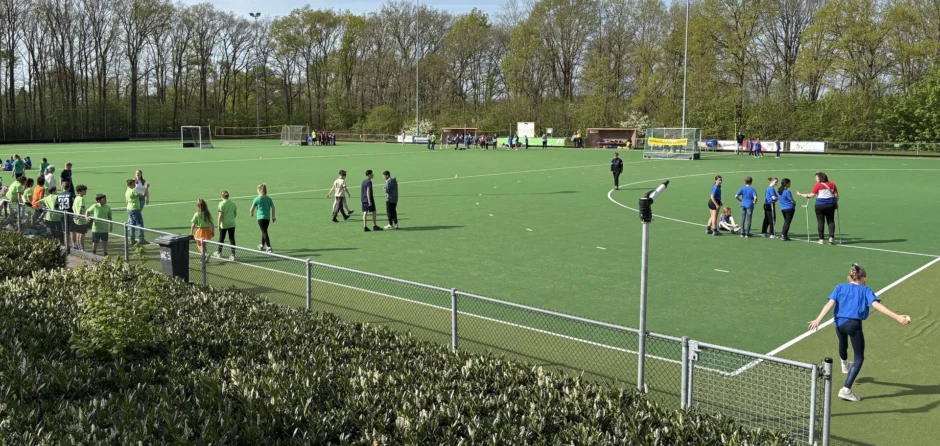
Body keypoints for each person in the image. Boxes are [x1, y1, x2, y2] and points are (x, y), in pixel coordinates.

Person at [807, 264, 911, 402]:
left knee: (842, 343)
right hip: (853, 325)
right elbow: (876, 305)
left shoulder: (840, 287)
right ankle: (846, 389)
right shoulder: (865, 290)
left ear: (851, 276)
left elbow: (830, 304)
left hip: (839, 324)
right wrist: (897, 317)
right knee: (859, 358)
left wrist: (818, 319)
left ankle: (844, 364)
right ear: (863, 278)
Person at [797, 172, 839, 245]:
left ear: (820, 178)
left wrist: (801, 194)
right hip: (830, 204)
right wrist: (835, 202)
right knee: (831, 221)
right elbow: (836, 195)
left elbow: (811, 195)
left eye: (816, 178)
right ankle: (831, 237)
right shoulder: (832, 184)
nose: (815, 179)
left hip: (820, 205)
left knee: (820, 221)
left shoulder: (818, 185)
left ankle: (821, 239)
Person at [250, 183, 275, 253]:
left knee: (264, 231)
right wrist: (273, 216)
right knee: (264, 231)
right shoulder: (268, 199)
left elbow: (252, 208)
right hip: (267, 218)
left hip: (260, 218)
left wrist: (251, 213)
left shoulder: (257, 199)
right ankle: (262, 245)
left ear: (259, 190)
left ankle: (269, 247)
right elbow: (273, 207)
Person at [215, 190, 237, 260]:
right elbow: (235, 214)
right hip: (232, 223)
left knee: (221, 239)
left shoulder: (221, 204)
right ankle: (233, 255)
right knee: (232, 238)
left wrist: (218, 225)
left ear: (222, 196)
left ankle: (219, 253)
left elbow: (220, 215)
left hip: (224, 224)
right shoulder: (233, 203)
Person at [125, 178, 147, 245]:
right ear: (130, 184)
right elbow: (143, 196)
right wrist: (146, 188)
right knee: (140, 224)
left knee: (132, 224)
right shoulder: (133, 191)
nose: (135, 185)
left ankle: (132, 240)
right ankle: (141, 239)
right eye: (134, 184)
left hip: (129, 209)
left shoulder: (127, 190)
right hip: (135, 209)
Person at [72, 185, 90, 251]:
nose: (85, 191)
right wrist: (79, 216)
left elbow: (73, 207)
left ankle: (79, 247)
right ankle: (82, 248)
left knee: (78, 234)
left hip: (76, 220)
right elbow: (80, 209)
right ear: (80, 191)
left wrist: (75, 215)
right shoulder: (81, 199)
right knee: (82, 235)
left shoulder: (76, 198)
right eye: (84, 190)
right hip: (81, 220)